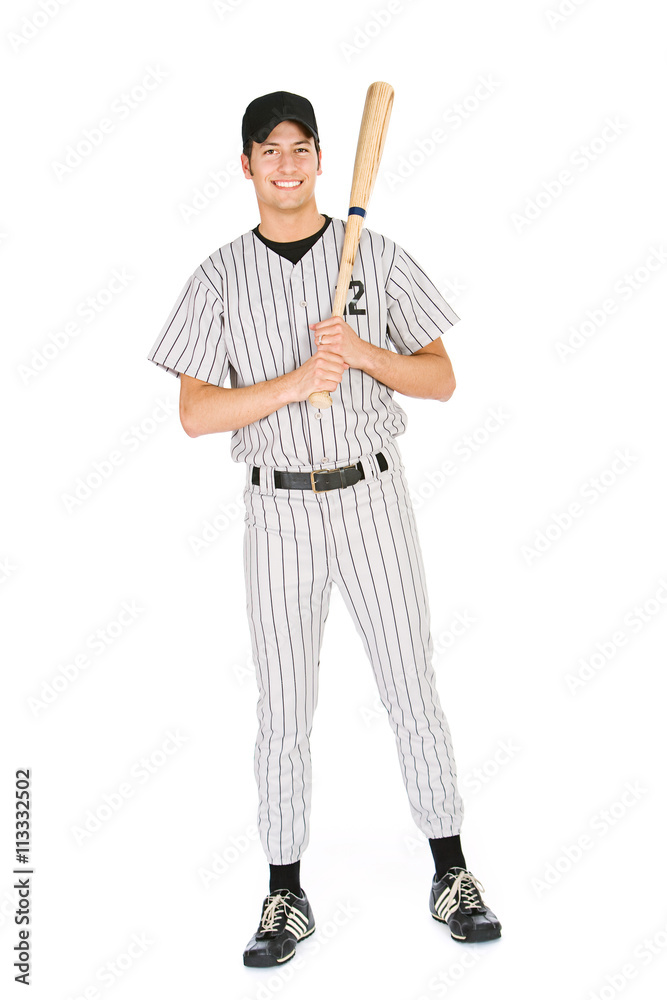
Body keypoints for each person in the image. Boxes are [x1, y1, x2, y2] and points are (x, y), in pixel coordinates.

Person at [146, 91, 501, 968]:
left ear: (319, 160)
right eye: (270, 151)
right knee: (283, 706)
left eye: (301, 148)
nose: (288, 164)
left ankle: (450, 871)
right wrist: (295, 381)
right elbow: (195, 412)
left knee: (409, 684)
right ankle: (283, 893)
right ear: (246, 166)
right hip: (276, 507)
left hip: (372, 497)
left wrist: (362, 356)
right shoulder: (218, 275)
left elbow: (441, 379)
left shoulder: (372, 257)